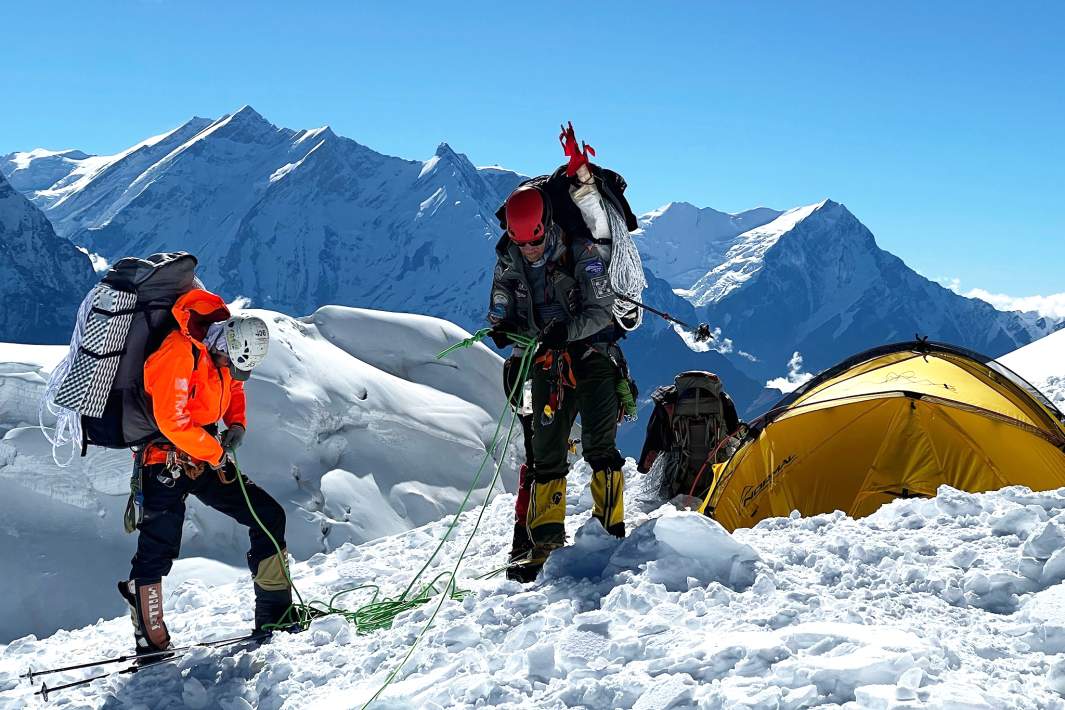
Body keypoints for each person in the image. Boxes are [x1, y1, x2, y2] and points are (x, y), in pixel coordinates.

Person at [487, 155, 639, 579]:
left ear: (547, 225)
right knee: (546, 450)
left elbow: (602, 313)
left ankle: (609, 533)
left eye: (535, 242)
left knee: (599, 445)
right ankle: (543, 543)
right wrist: (502, 326)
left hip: (591, 354)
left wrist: (564, 331)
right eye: (523, 244)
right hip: (544, 358)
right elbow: (499, 304)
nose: (530, 251)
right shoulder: (509, 258)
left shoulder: (583, 252)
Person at [117, 287, 289, 657]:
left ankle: (276, 611)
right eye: (231, 363)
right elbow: (173, 420)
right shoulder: (177, 353)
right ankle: (150, 638)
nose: (233, 371)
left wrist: (237, 424)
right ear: (225, 344)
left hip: (202, 457)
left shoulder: (221, 354)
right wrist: (215, 453)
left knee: (268, 516)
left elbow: (234, 388)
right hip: (165, 462)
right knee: (156, 552)